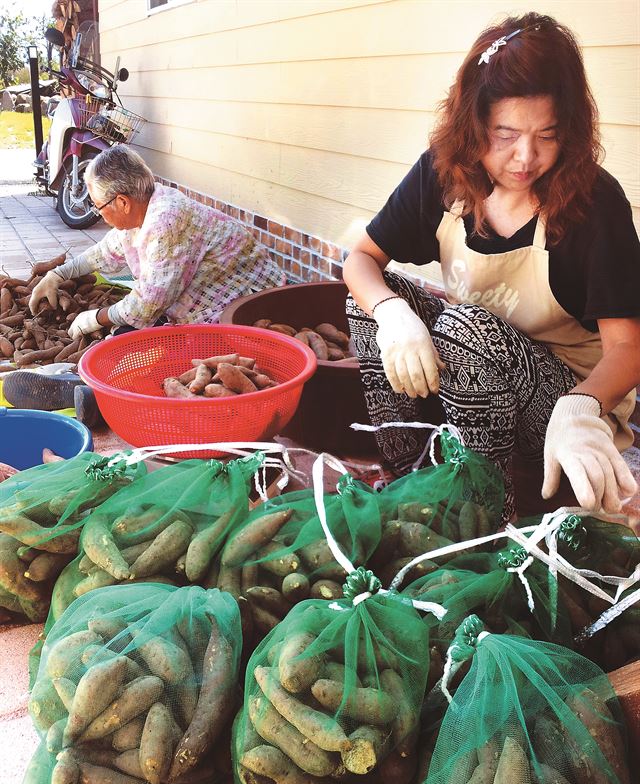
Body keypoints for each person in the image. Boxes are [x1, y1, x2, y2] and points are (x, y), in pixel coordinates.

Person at [343, 12, 640, 522]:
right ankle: (410, 478)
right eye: (505, 134)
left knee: (465, 330)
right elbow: (361, 261)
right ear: (473, 123)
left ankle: (486, 518)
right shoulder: (443, 172)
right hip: (473, 378)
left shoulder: (594, 203)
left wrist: (581, 407)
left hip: (566, 406)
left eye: (547, 135)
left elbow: (629, 348)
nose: (526, 158)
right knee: (368, 305)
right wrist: (391, 313)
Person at [29, 144, 285, 336]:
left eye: (98, 207)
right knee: (124, 333)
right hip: (216, 292)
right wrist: (58, 275)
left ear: (122, 202)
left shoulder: (166, 222)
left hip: (249, 305)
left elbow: (145, 305)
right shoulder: (144, 206)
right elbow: (107, 250)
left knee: (126, 339)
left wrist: (95, 318)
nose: (100, 215)